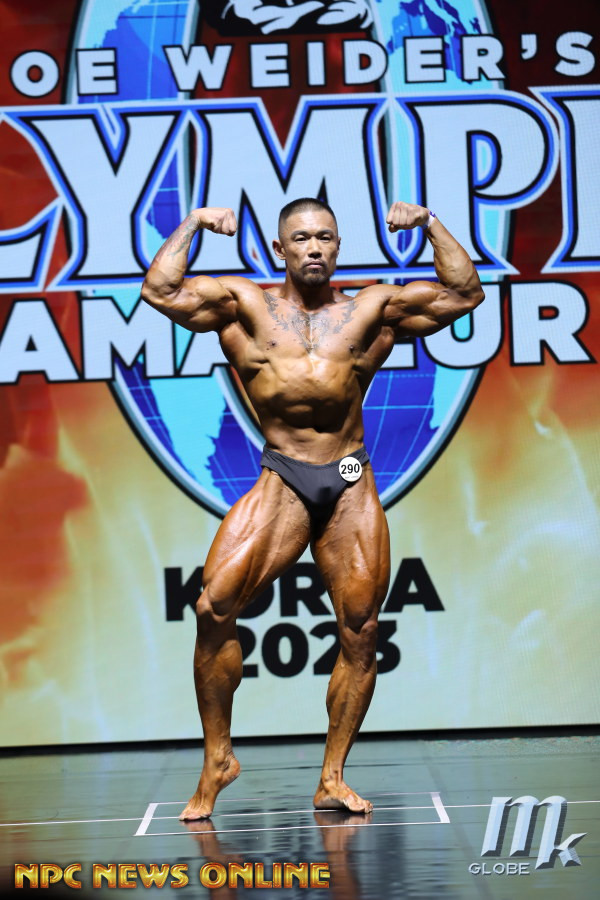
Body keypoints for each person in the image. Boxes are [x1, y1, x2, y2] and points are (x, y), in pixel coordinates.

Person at [141, 198, 484, 819]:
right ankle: (218, 758)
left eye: (325, 237)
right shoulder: (244, 306)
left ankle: (332, 777)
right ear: (281, 249)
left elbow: (465, 294)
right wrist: (193, 224)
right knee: (213, 608)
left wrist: (430, 224)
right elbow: (160, 291)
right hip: (284, 476)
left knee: (361, 629)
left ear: (338, 246)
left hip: (349, 477)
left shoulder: (371, 310)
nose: (314, 247)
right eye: (301, 238)